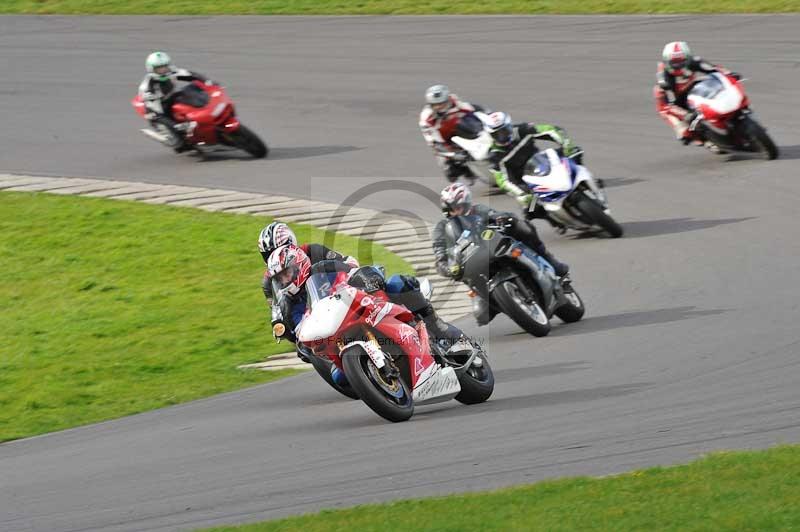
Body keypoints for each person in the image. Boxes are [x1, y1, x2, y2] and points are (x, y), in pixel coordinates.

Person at [432, 182, 570, 326]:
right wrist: (445, 267)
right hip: (473, 267)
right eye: (453, 209)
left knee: (523, 227)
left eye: (460, 207)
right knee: (481, 314)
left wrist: (503, 219)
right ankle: (506, 303)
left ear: (467, 204)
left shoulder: (479, 210)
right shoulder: (442, 228)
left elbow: (495, 215)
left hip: (494, 249)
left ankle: (550, 261)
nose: (457, 212)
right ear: (447, 210)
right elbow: (439, 252)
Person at [257, 222, 358, 347]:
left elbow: (347, 263)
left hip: (336, 295)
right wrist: (279, 322)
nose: (276, 255)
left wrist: (351, 270)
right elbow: (277, 309)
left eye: (280, 248)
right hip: (305, 313)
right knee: (301, 346)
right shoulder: (269, 281)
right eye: (268, 254)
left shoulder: (313, 250)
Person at [485, 111, 582, 208]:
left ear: (510, 125)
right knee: (531, 210)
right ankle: (553, 221)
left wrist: (568, 146)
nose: (502, 136)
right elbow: (503, 181)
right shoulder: (494, 156)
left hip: (543, 163)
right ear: (491, 135)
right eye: (497, 134)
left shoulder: (522, 129)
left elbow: (551, 130)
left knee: (575, 153)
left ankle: (587, 183)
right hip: (527, 183)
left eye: (505, 131)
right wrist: (522, 195)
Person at [654, 41, 736, 150]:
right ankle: (706, 141)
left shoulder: (694, 61)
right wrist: (685, 114)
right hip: (671, 105)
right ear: (667, 62)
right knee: (685, 132)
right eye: (674, 62)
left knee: (712, 85)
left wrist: (729, 74)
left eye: (681, 61)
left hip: (690, 89)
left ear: (688, 58)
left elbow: (714, 69)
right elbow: (670, 106)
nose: (678, 66)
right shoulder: (665, 81)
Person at [137, 51, 213, 151]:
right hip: (157, 107)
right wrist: (175, 126)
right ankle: (174, 137)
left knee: (191, 89)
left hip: (171, 97)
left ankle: (207, 113)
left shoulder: (171, 71)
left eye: (165, 66)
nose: (163, 70)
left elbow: (190, 75)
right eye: (159, 68)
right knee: (178, 142)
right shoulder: (147, 87)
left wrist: (207, 81)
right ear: (152, 69)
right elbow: (153, 111)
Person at [419, 84, 487, 182]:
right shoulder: (426, 118)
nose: (439, 107)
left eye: (442, 103)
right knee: (451, 173)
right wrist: (453, 154)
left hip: (460, 128)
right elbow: (434, 143)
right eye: (435, 105)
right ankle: (468, 171)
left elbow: (472, 109)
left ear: (448, 100)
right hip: (444, 139)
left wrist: (487, 115)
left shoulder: (454, 101)